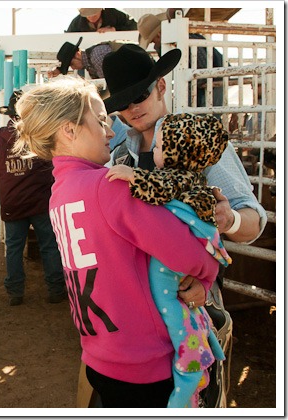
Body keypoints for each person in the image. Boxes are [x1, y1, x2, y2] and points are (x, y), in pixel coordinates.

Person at [12, 76, 219, 408]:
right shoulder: (107, 185)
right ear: (69, 130)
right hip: (147, 365)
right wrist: (208, 272)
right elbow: (186, 252)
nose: (110, 132)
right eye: (100, 121)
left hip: (100, 355)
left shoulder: (59, 192)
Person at [102, 43, 267, 407]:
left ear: (161, 85)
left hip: (193, 299)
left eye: (140, 95)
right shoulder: (119, 154)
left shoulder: (195, 139)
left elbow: (253, 221)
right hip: (137, 311)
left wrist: (228, 219)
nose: (132, 109)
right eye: (123, 103)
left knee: (198, 391)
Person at [106, 112, 233, 407]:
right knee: (187, 313)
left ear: (179, 152)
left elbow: (157, 189)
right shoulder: (195, 178)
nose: (157, 152)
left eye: (163, 147)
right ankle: (207, 345)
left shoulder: (176, 177)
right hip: (185, 261)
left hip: (170, 265)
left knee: (171, 311)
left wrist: (133, 176)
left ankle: (191, 368)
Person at [0, 90, 67, 306]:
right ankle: (55, 289)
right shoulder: (39, 135)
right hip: (40, 201)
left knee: (14, 248)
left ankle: (15, 292)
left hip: (12, 202)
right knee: (49, 245)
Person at [137, 11, 225, 108]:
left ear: (158, 35)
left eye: (154, 41)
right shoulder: (184, 39)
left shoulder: (185, 41)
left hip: (211, 85)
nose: (155, 45)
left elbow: (202, 70)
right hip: (207, 85)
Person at [66, 8, 137, 33]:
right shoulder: (77, 22)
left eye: (94, 14)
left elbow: (134, 26)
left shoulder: (114, 14)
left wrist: (114, 29)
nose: (91, 17)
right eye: (88, 15)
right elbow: (68, 38)